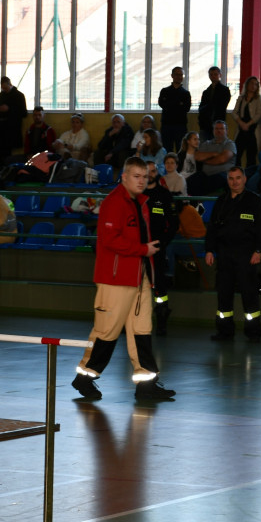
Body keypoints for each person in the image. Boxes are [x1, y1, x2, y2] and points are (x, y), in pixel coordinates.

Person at [72, 157, 176, 402]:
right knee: (106, 332)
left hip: (138, 277)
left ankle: (146, 384)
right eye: (137, 176)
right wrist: (142, 250)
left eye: (145, 176)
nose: (142, 181)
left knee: (141, 330)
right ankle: (84, 377)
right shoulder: (113, 203)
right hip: (115, 279)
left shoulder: (139, 203)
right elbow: (110, 240)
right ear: (125, 177)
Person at [205, 166, 261, 342]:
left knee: (249, 295)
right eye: (231, 178)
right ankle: (225, 331)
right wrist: (209, 249)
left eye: (238, 178)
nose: (235, 181)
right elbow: (212, 228)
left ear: (245, 179)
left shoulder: (254, 201)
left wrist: (258, 250)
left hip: (246, 254)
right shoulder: (221, 201)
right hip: (224, 253)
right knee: (224, 294)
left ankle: (253, 332)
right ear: (227, 180)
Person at [143, 161, 178, 335]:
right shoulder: (136, 194)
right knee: (134, 287)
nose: (150, 174)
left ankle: (162, 321)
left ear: (157, 172)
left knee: (160, 288)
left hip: (157, 249)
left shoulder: (164, 195)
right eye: (147, 171)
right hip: (137, 250)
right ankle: (129, 322)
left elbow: (173, 223)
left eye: (153, 170)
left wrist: (162, 242)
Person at [0, 76, 28, 166]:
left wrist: (9, 109)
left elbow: (23, 113)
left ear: (10, 85)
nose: (4, 90)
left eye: (5, 88)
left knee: (7, 156)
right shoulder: (1, 95)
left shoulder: (19, 95)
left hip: (10, 130)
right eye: (3, 88)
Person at [191, 120, 236, 195]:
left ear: (226, 131)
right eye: (216, 129)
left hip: (224, 175)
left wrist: (205, 160)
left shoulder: (230, 144)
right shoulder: (207, 144)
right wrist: (215, 154)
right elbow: (197, 156)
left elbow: (222, 159)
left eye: (221, 129)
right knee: (192, 180)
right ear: (213, 130)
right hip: (205, 174)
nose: (219, 131)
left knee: (213, 181)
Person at [232, 75, 261, 169]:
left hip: (253, 129)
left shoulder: (259, 98)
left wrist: (248, 124)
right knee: (237, 153)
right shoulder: (241, 98)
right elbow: (234, 113)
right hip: (241, 129)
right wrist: (241, 123)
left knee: (251, 156)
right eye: (251, 83)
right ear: (247, 85)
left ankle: (249, 176)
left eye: (256, 84)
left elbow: (260, 114)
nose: (253, 86)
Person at [158, 66, 191, 151]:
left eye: (181, 75)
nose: (179, 77)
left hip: (180, 126)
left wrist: (170, 104)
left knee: (181, 150)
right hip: (166, 125)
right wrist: (178, 104)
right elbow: (162, 104)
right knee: (167, 150)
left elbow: (186, 108)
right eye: (177, 74)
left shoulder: (186, 93)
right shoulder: (164, 91)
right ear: (172, 76)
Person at [198, 66, 231, 142]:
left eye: (215, 74)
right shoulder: (206, 92)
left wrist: (209, 106)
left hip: (218, 122)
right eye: (211, 74)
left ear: (220, 75)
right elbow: (201, 108)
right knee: (204, 147)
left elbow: (221, 106)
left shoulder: (225, 90)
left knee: (219, 146)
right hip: (205, 124)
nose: (213, 76)